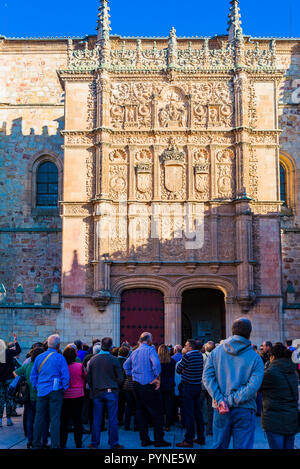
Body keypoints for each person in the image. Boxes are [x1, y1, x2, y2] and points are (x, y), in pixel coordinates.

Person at [203, 318, 264, 449]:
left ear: (232, 331)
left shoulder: (215, 353)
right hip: (244, 408)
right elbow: (253, 386)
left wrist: (221, 400)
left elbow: (207, 378)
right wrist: (230, 401)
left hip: (220, 408)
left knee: (219, 446)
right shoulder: (256, 358)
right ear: (249, 333)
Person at [123, 332, 171, 448]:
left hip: (136, 385)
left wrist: (132, 375)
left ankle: (144, 439)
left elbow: (125, 365)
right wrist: (156, 378)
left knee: (140, 412)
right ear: (148, 340)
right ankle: (159, 439)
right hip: (149, 386)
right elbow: (156, 365)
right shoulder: (150, 350)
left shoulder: (134, 352)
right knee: (156, 413)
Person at [30, 334, 70, 449]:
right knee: (55, 419)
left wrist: (36, 386)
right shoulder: (60, 358)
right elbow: (65, 376)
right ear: (58, 345)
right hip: (55, 391)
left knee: (39, 418)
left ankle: (36, 443)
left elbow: (33, 376)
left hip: (42, 390)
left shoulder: (39, 357)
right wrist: (63, 388)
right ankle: (55, 445)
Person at [260, 342, 300, 449]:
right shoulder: (293, 371)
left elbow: (256, 387)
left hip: (274, 422)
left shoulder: (270, 373)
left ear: (272, 357)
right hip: (291, 419)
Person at [87, 337, 124, 450]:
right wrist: (115, 387)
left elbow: (89, 378)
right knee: (112, 419)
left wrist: (94, 388)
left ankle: (94, 443)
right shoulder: (114, 360)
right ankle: (114, 443)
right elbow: (120, 378)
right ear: (111, 346)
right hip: (111, 391)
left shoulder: (93, 360)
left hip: (97, 391)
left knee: (97, 418)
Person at [14, 347, 48, 448]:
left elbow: (15, 372)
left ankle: (30, 440)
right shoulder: (42, 367)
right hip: (40, 397)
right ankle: (43, 440)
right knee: (44, 420)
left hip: (28, 397)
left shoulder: (27, 366)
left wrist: (23, 380)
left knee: (30, 419)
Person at [176, 339, 205, 448]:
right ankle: (201, 437)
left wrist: (184, 370)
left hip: (188, 387)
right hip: (197, 386)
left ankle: (189, 439)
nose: (185, 346)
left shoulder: (187, 356)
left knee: (189, 414)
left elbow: (178, 369)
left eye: (186, 345)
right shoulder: (200, 356)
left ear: (191, 347)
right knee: (198, 413)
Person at [60, 345, 87, 449]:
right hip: (78, 395)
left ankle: (62, 443)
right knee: (77, 420)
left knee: (64, 421)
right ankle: (78, 443)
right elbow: (85, 376)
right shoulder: (79, 366)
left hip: (65, 395)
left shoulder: (62, 366)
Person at [0, 333, 21, 427]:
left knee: (0, 399)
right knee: (9, 399)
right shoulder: (8, 352)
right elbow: (18, 350)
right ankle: (8, 419)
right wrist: (15, 340)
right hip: (8, 378)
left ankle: (0, 420)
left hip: (0, 379)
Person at [158, 344, 176, 431]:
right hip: (169, 384)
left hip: (160, 385)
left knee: (160, 405)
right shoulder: (172, 361)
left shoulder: (157, 361)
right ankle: (168, 424)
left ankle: (160, 423)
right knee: (169, 405)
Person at [202, 341, 215, 436]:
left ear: (205, 348)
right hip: (212, 386)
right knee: (211, 409)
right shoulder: (217, 357)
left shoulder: (201, 356)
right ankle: (209, 430)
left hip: (202, 385)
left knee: (198, 407)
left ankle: (198, 428)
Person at [117, 346, 130, 426]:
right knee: (123, 403)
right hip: (124, 385)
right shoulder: (127, 361)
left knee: (117, 403)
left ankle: (118, 418)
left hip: (115, 385)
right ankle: (122, 419)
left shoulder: (114, 360)